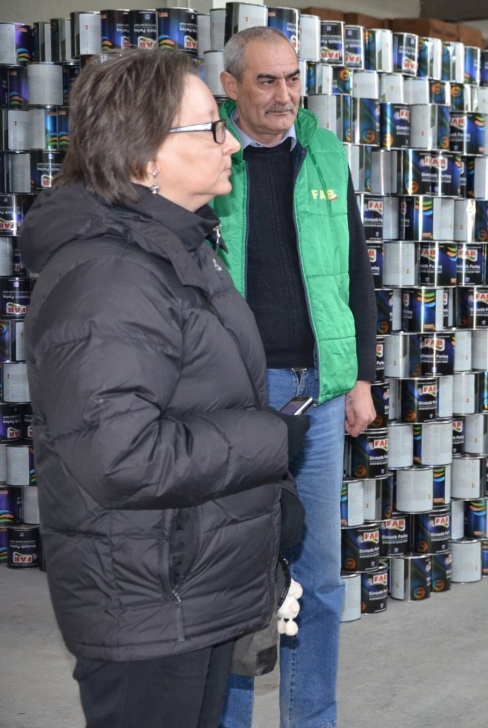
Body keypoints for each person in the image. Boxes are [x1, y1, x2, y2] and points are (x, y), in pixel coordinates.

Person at [21, 50, 309, 728]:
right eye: (208, 128)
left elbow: (200, 403)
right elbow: (124, 455)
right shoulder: (110, 278)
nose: (229, 141)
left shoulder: (177, 250)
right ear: (144, 158)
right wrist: (270, 439)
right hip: (147, 600)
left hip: (186, 582)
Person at [213, 26, 377, 728]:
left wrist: (361, 377)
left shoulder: (325, 151)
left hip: (320, 390)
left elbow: (356, 270)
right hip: (237, 396)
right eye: (266, 81)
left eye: (292, 78)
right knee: (234, 576)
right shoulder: (209, 155)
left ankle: (312, 720)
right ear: (231, 87)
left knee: (318, 577)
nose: (284, 95)